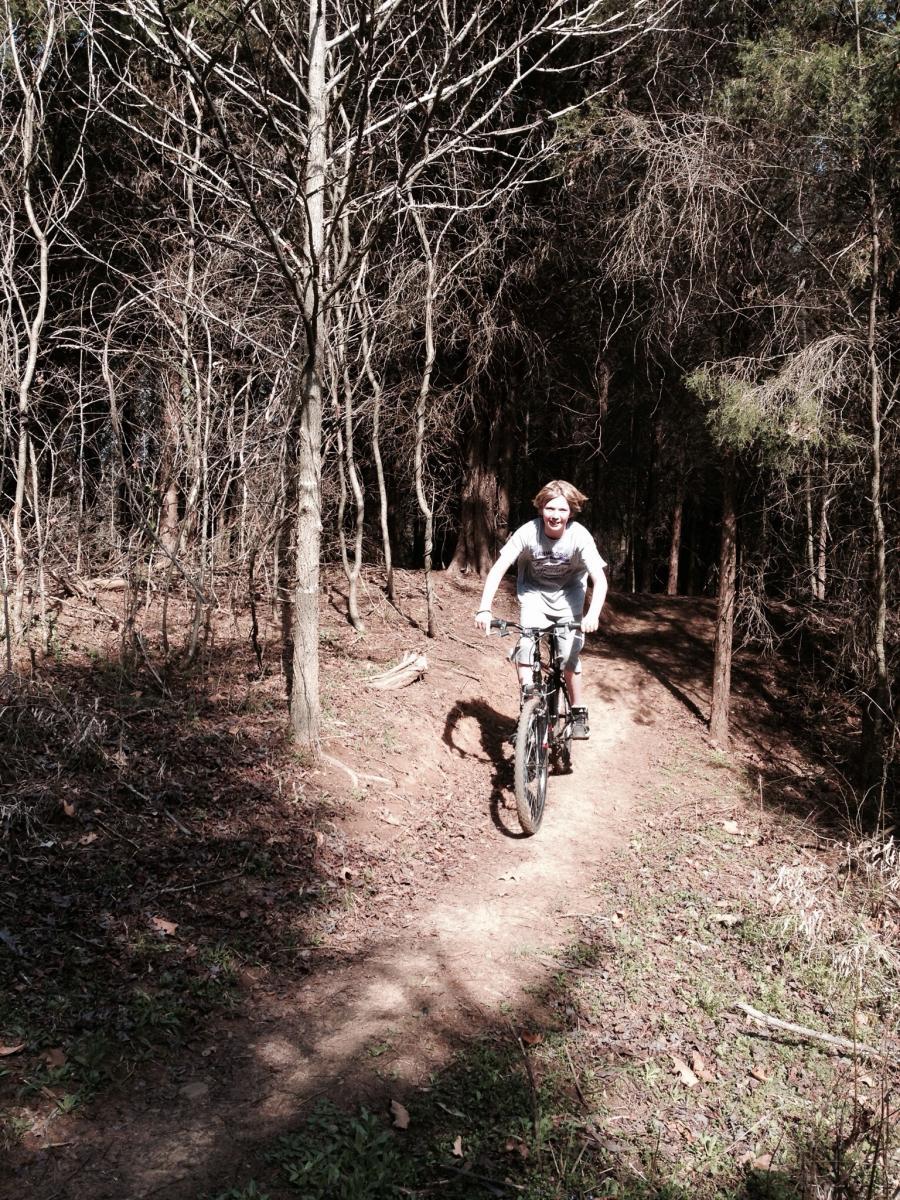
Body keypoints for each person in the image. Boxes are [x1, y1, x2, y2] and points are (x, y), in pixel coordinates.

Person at [474, 480, 607, 739]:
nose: (555, 516)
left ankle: (578, 710)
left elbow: (599, 580)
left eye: (562, 510)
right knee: (525, 644)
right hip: (534, 595)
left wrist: (592, 615)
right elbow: (498, 569)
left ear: (571, 512)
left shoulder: (579, 535)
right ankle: (528, 702)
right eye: (550, 508)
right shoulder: (528, 532)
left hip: (570, 598)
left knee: (569, 656)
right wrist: (484, 609)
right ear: (540, 508)